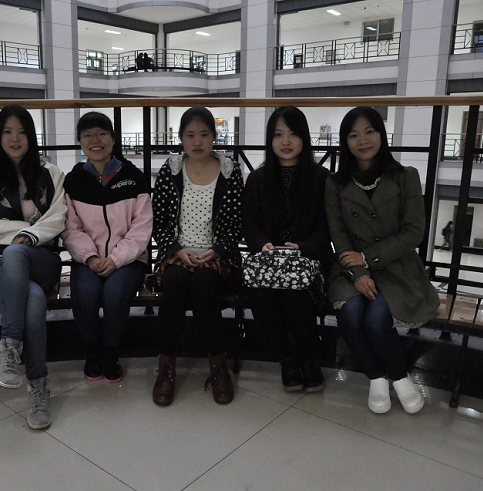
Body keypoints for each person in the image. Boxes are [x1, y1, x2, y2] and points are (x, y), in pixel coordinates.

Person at [324, 106, 439, 415]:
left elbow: (414, 232)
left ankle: (399, 377)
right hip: (350, 267)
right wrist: (359, 270)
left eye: (370, 131)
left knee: (375, 320)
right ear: (345, 141)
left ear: (381, 134)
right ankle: (376, 377)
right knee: (351, 315)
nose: (363, 140)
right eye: (353, 135)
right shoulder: (335, 183)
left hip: (397, 265)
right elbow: (339, 235)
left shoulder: (405, 176)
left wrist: (368, 256)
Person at [0, 105, 66, 430]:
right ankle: (38, 384)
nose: (15, 138)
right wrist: (25, 231)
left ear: (32, 136)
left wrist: (29, 237)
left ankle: (9, 345)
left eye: (22, 132)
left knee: (16, 253)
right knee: (34, 297)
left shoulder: (50, 173)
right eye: (7, 132)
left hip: (41, 259)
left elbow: (58, 217)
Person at [151, 106, 243, 406]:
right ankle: (166, 368)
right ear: (181, 138)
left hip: (218, 256)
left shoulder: (230, 171)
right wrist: (177, 250)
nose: (197, 141)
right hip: (177, 253)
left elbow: (235, 224)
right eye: (190, 135)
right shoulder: (171, 170)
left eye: (204, 134)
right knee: (176, 282)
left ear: (214, 137)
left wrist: (216, 251)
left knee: (203, 283)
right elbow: (160, 222)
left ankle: (218, 367)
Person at [242, 106, 331, 392]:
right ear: (270, 140)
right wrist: (262, 244)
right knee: (262, 291)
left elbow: (327, 227)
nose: (286, 141)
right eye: (278, 135)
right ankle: (287, 358)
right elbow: (249, 224)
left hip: (310, 261)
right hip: (269, 261)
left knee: (295, 292)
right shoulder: (258, 179)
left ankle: (307, 358)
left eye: (293, 134)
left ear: (305, 137)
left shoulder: (321, 178)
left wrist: (302, 247)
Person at [61, 111, 152, 384]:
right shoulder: (73, 181)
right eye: (87, 135)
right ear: (80, 142)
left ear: (113, 140)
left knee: (115, 292)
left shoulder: (134, 177)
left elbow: (142, 227)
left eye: (101, 134)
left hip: (128, 259)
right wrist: (89, 257)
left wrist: (115, 259)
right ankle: (92, 351)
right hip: (86, 258)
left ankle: (111, 351)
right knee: (86, 292)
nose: (95, 140)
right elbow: (70, 228)